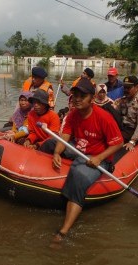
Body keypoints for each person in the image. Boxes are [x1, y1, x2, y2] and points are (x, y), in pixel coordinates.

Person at [48, 78, 123, 243]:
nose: (77, 99)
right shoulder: (73, 114)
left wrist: (99, 158)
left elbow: (118, 143)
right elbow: (65, 135)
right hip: (79, 149)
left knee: (79, 175)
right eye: (75, 94)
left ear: (92, 98)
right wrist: (56, 153)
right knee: (50, 143)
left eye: (82, 95)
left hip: (97, 157)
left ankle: (63, 231)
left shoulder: (104, 117)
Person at [114, 76, 138, 151]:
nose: (126, 90)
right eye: (125, 87)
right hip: (122, 128)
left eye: (128, 88)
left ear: (136, 87)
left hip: (132, 130)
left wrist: (132, 141)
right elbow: (116, 115)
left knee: (115, 141)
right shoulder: (122, 101)